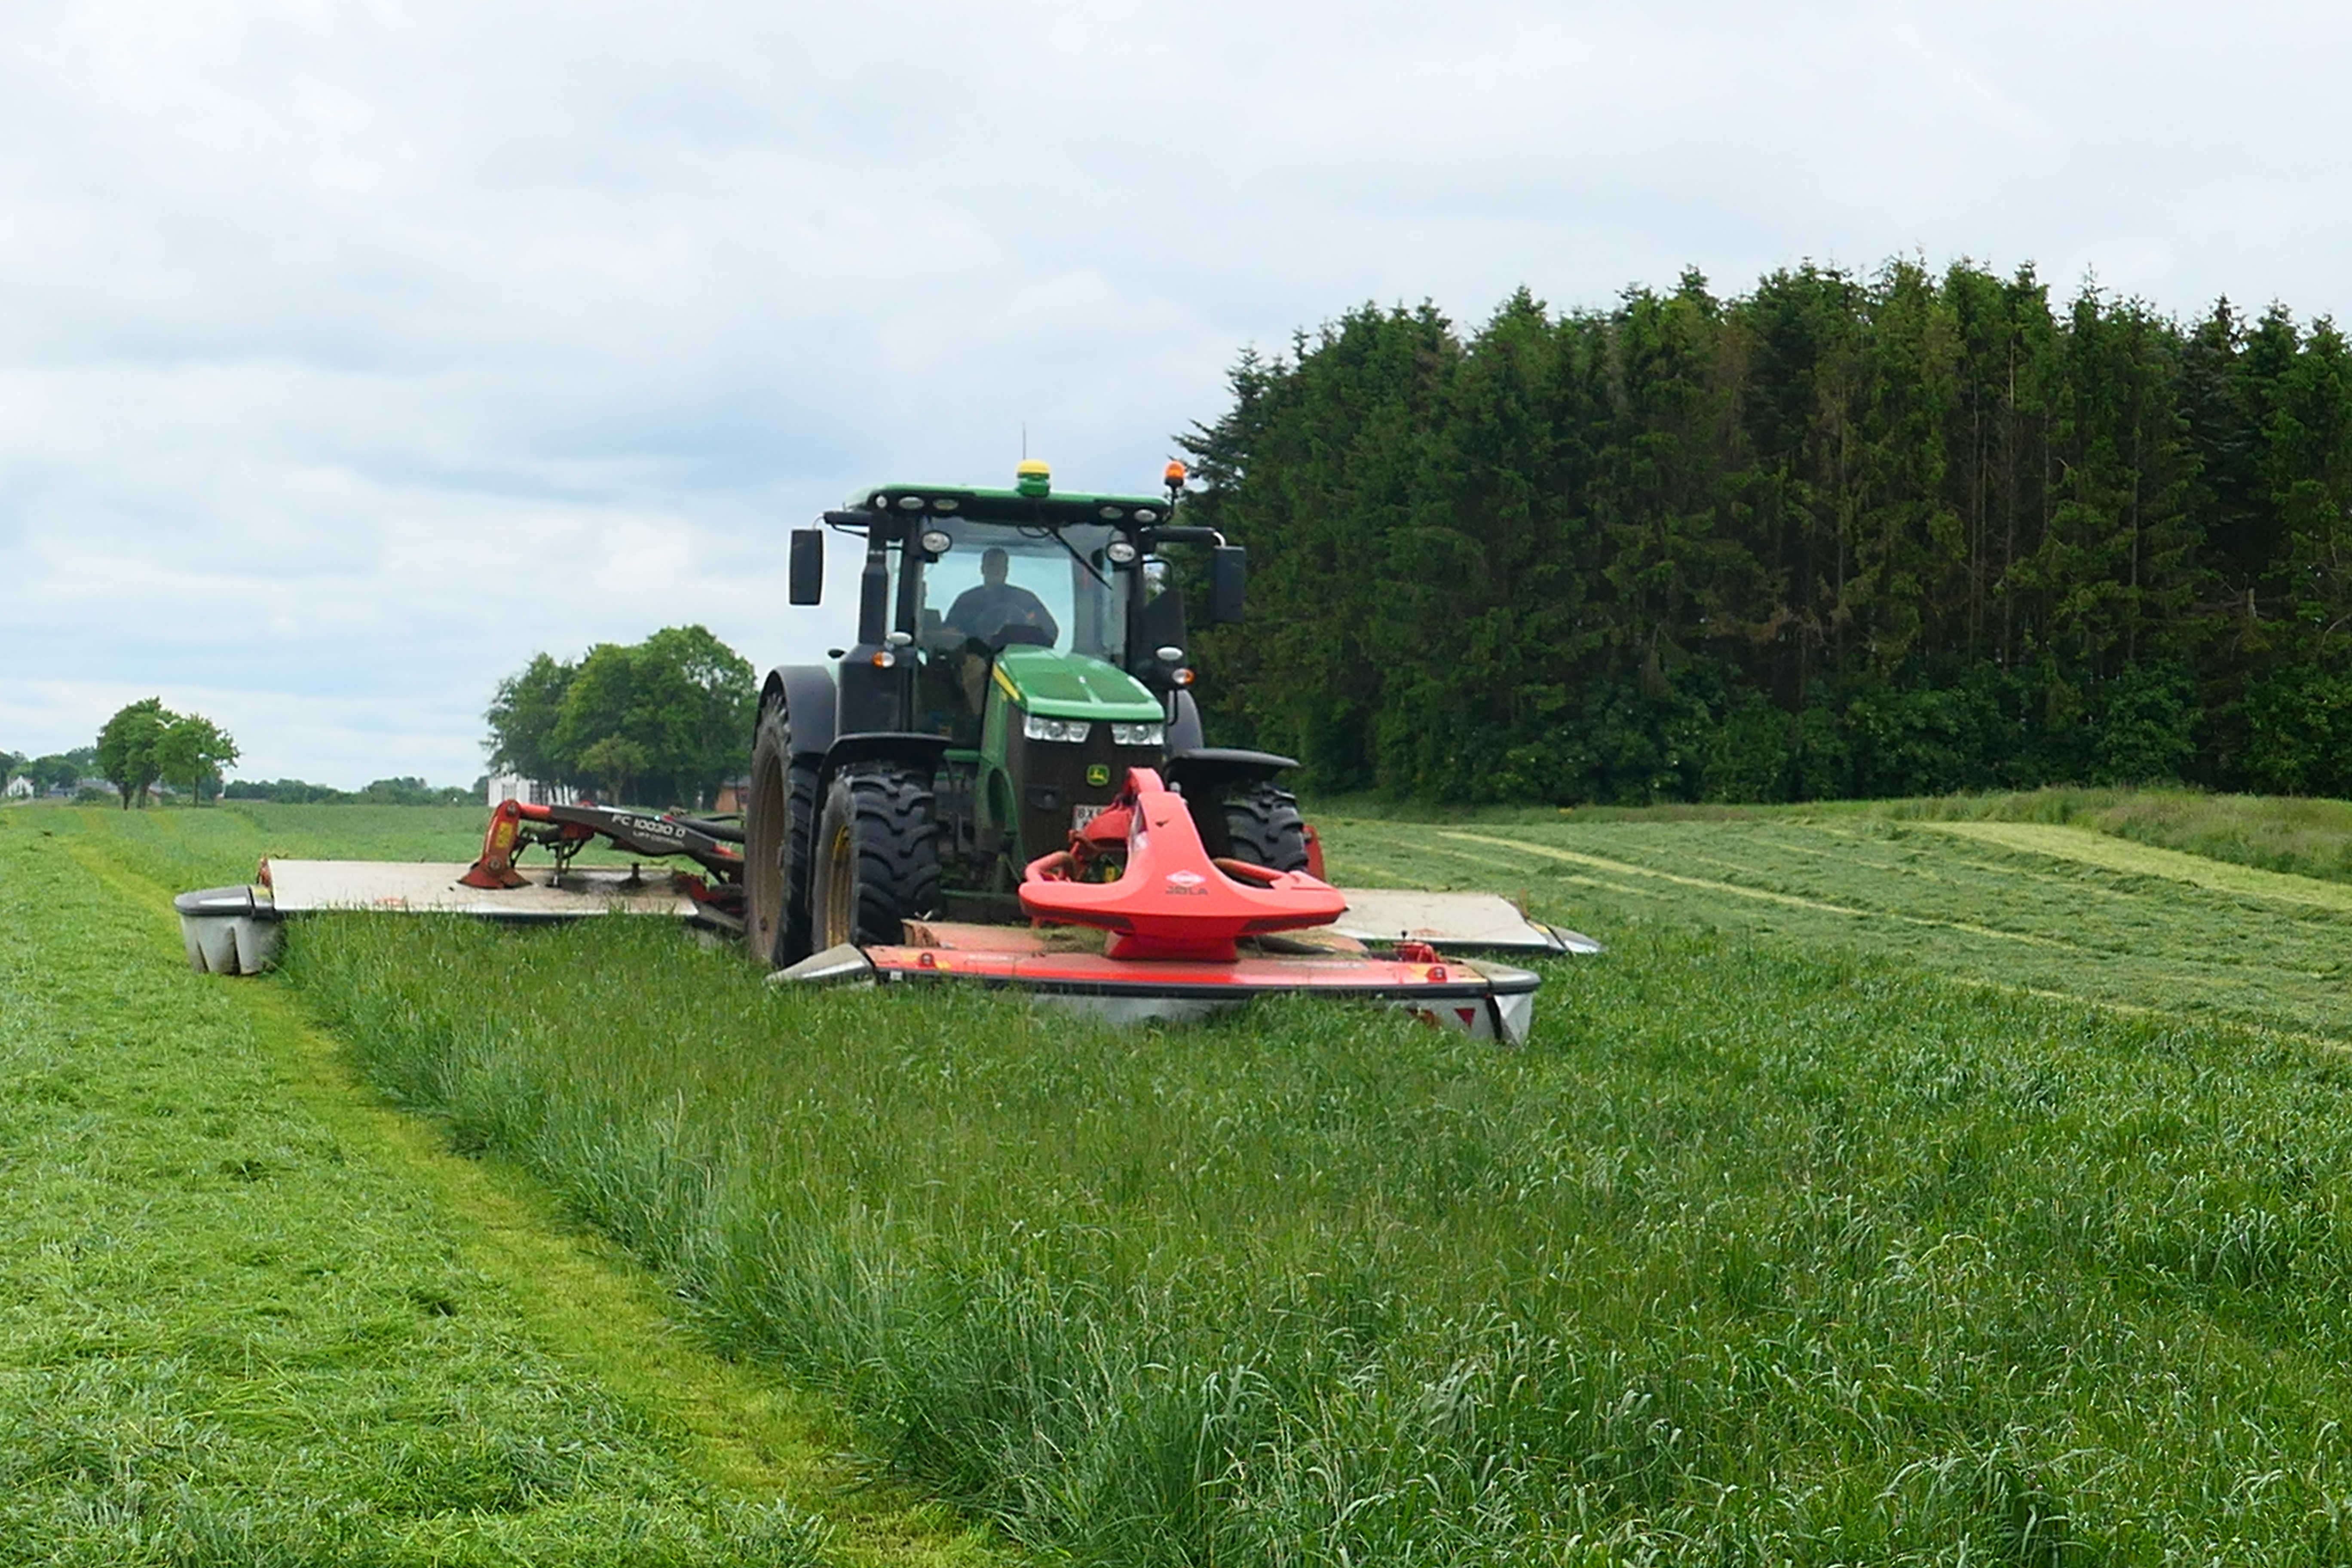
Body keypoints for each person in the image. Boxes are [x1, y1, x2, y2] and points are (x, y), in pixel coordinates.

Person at [943, 547, 1058, 647]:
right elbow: (950, 634)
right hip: (974, 663)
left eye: (1000, 566)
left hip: (1016, 660)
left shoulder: (1026, 600)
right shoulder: (966, 601)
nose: (996, 570)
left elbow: (1050, 632)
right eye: (992, 565)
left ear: (1007, 571)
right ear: (982, 569)